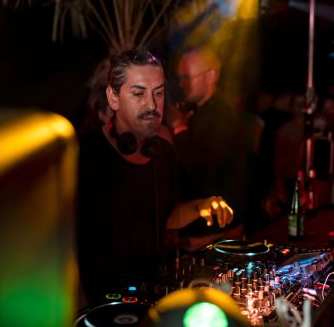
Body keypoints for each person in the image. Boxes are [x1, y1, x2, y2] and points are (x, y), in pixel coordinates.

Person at [77, 49, 234, 305]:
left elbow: (165, 217)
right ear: (113, 98)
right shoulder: (83, 156)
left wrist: (199, 207)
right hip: (99, 305)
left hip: (151, 297)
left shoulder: (164, 154)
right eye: (139, 94)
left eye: (158, 93)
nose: (151, 105)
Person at [165, 47, 245, 245]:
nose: (181, 84)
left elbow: (198, 171)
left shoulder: (220, 117)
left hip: (213, 231)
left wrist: (179, 127)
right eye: (179, 78)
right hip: (202, 226)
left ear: (210, 76)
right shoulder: (201, 112)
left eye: (187, 77)